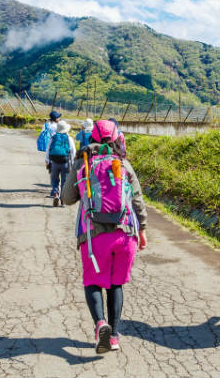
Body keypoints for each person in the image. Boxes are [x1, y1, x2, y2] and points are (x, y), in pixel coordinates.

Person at [62, 119, 148, 354]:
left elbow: (67, 198)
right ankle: (115, 337)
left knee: (93, 282)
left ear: (93, 137)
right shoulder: (123, 162)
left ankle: (101, 324)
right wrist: (142, 230)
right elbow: (138, 199)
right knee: (116, 284)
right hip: (125, 234)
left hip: (93, 236)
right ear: (115, 137)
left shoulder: (84, 161)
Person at [46, 120, 76, 206]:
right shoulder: (69, 138)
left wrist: (47, 160)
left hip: (54, 162)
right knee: (65, 181)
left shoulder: (53, 137)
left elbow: (48, 149)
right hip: (65, 162)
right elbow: (73, 151)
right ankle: (63, 200)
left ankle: (55, 194)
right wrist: (73, 163)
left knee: (54, 179)